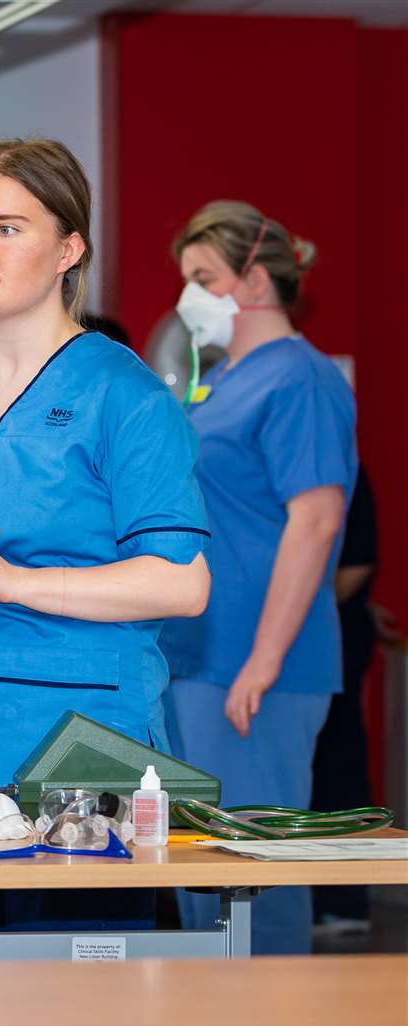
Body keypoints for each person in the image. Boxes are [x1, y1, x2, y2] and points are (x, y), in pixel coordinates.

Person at [0, 138, 210, 933]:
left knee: (67, 1021)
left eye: (8, 227)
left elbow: (182, 581)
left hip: (76, 767)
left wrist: (12, 581)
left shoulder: (124, 394)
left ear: (69, 248)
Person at [160, 201, 356, 955]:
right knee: (195, 866)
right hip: (196, 657)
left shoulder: (302, 380)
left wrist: (264, 661)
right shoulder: (219, 382)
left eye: (204, 277)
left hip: (254, 666)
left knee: (258, 865)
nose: (191, 298)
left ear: (255, 279)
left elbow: (315, 520)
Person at [312, 463, 380, 929]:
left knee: (337, 769)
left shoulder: (337, 470)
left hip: (325, 644)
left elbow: (355, 565)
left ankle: (343, 900)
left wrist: (296, 612)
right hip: (305, 636)